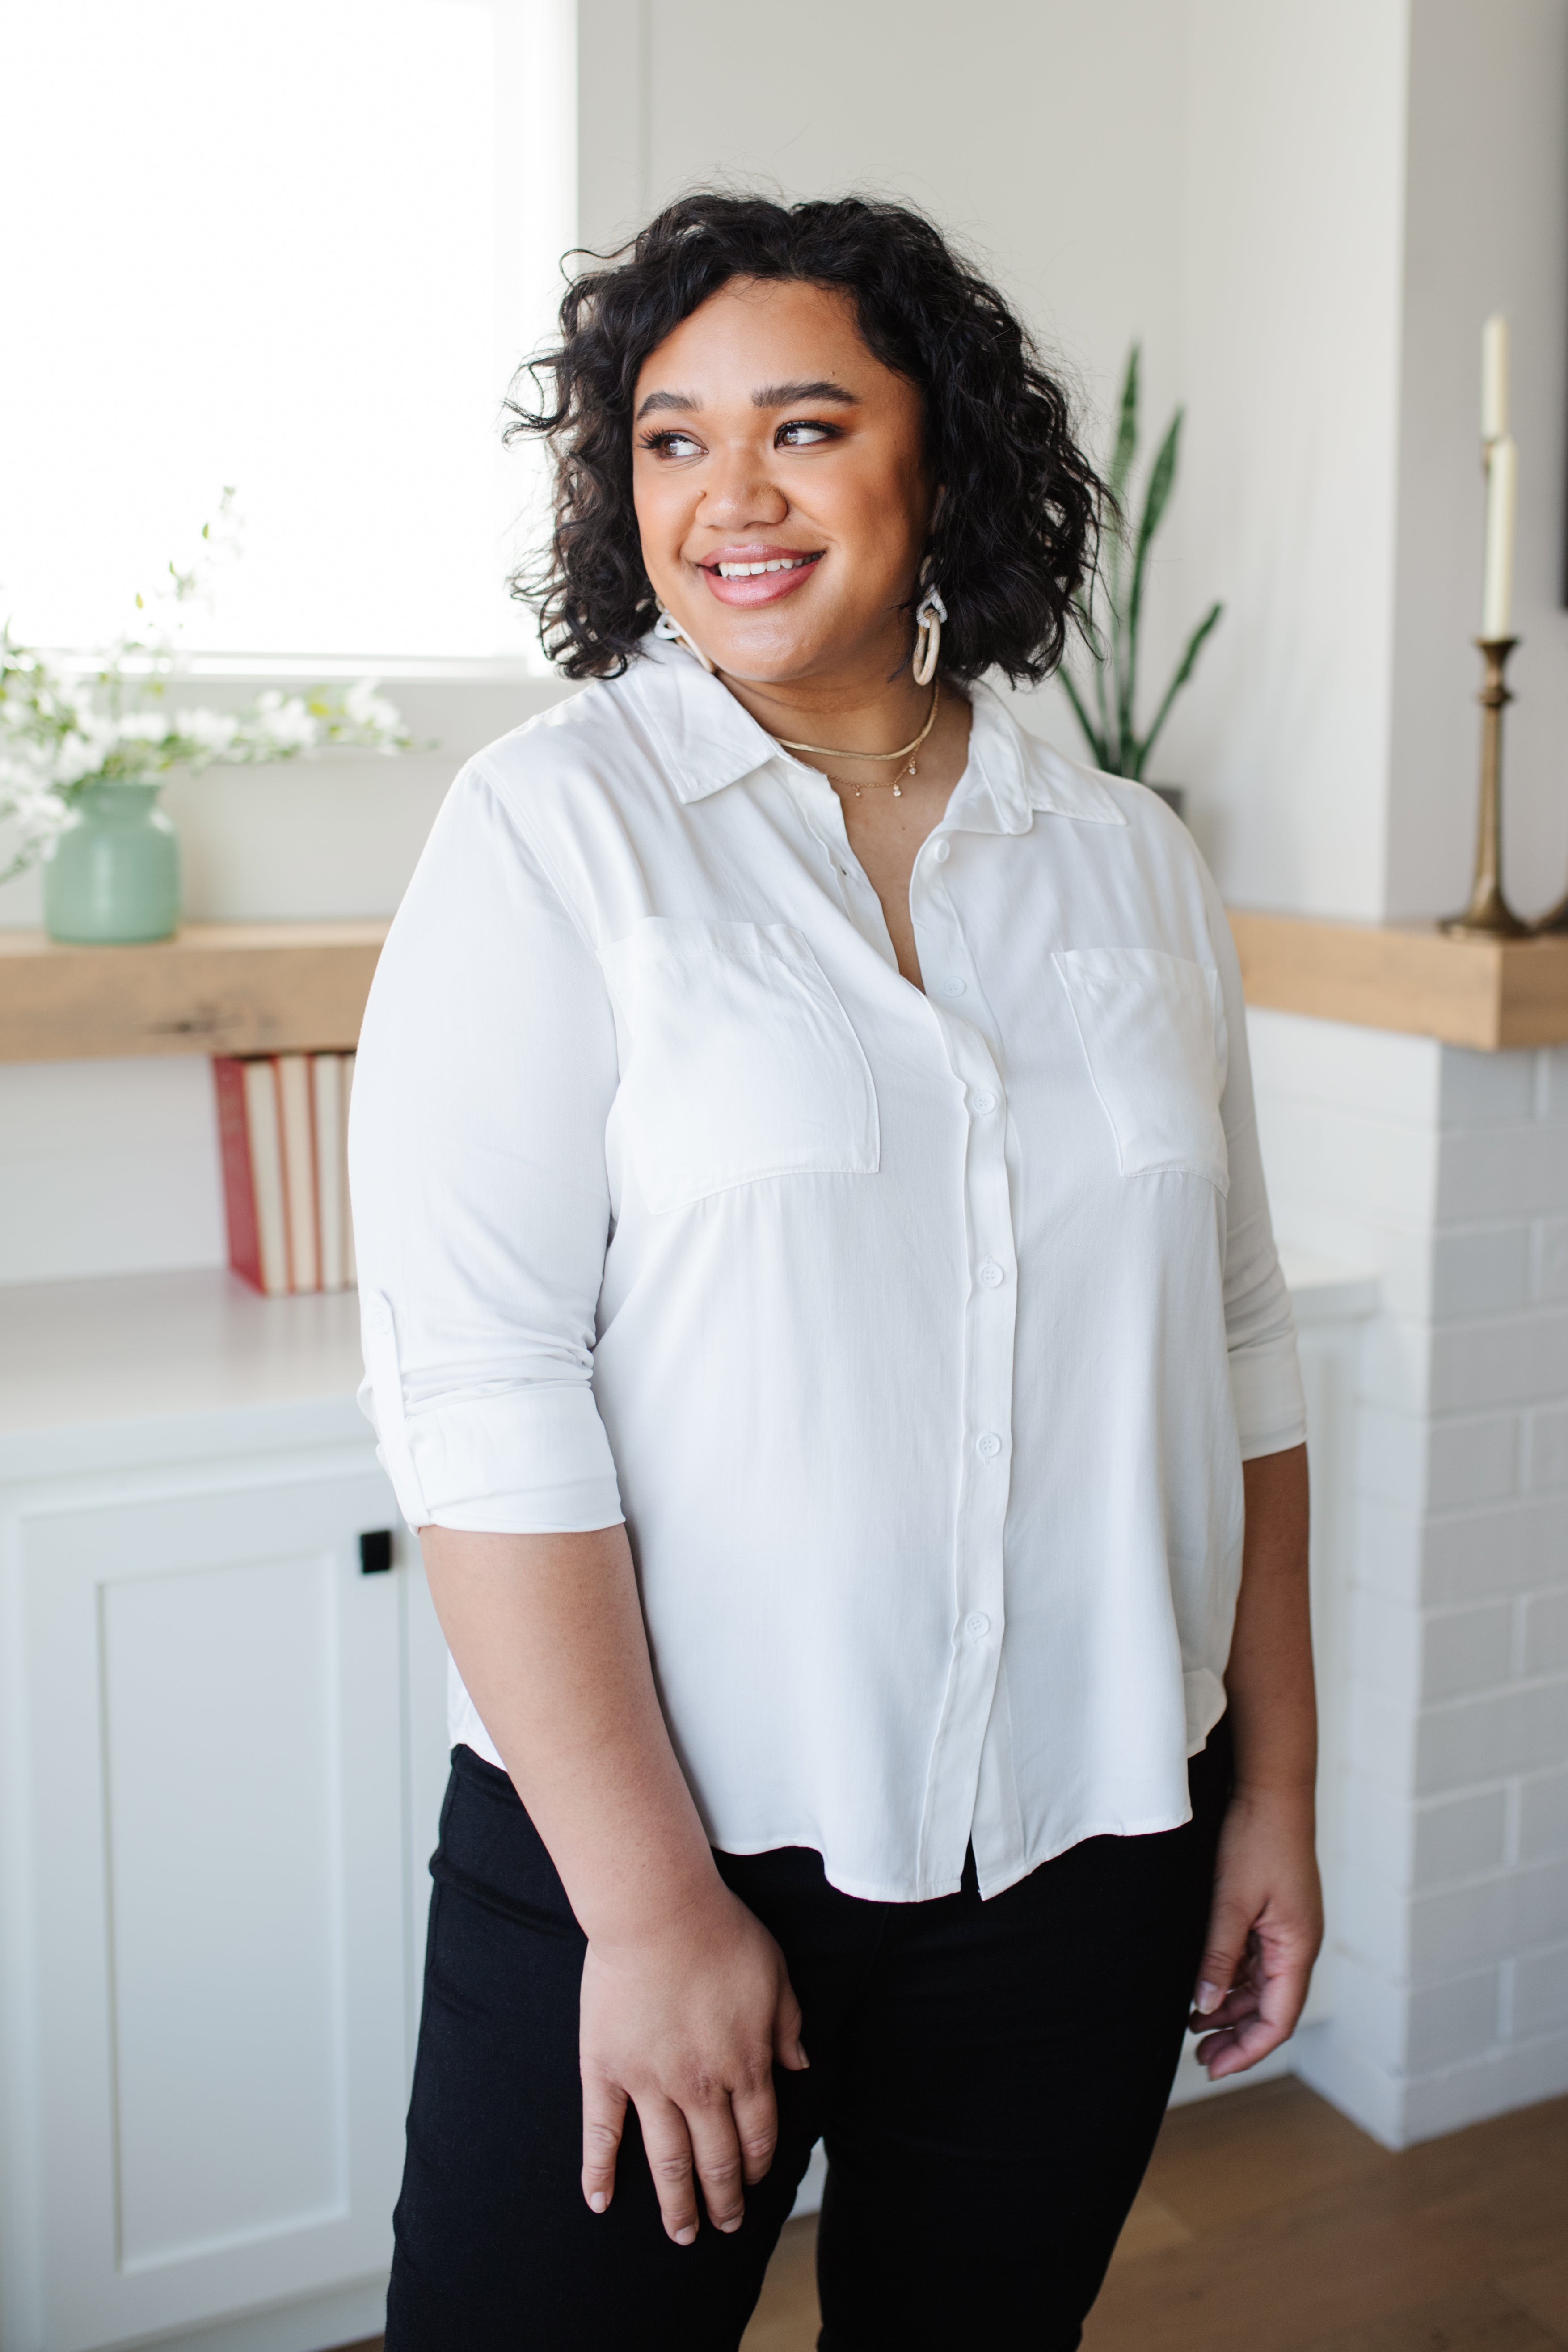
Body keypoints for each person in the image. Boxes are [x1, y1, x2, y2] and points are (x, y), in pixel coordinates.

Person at [350, 191, 1321, 2352]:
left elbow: (1237, 1348)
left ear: (939, 459)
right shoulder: (554, 835)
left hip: (1083, 1844)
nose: (731, 498)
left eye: (802, 424)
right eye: (671, 440)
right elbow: (478, 1382)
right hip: (657, 1852)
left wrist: (1268, 1790)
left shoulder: (1128, 860)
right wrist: (650, 1903)